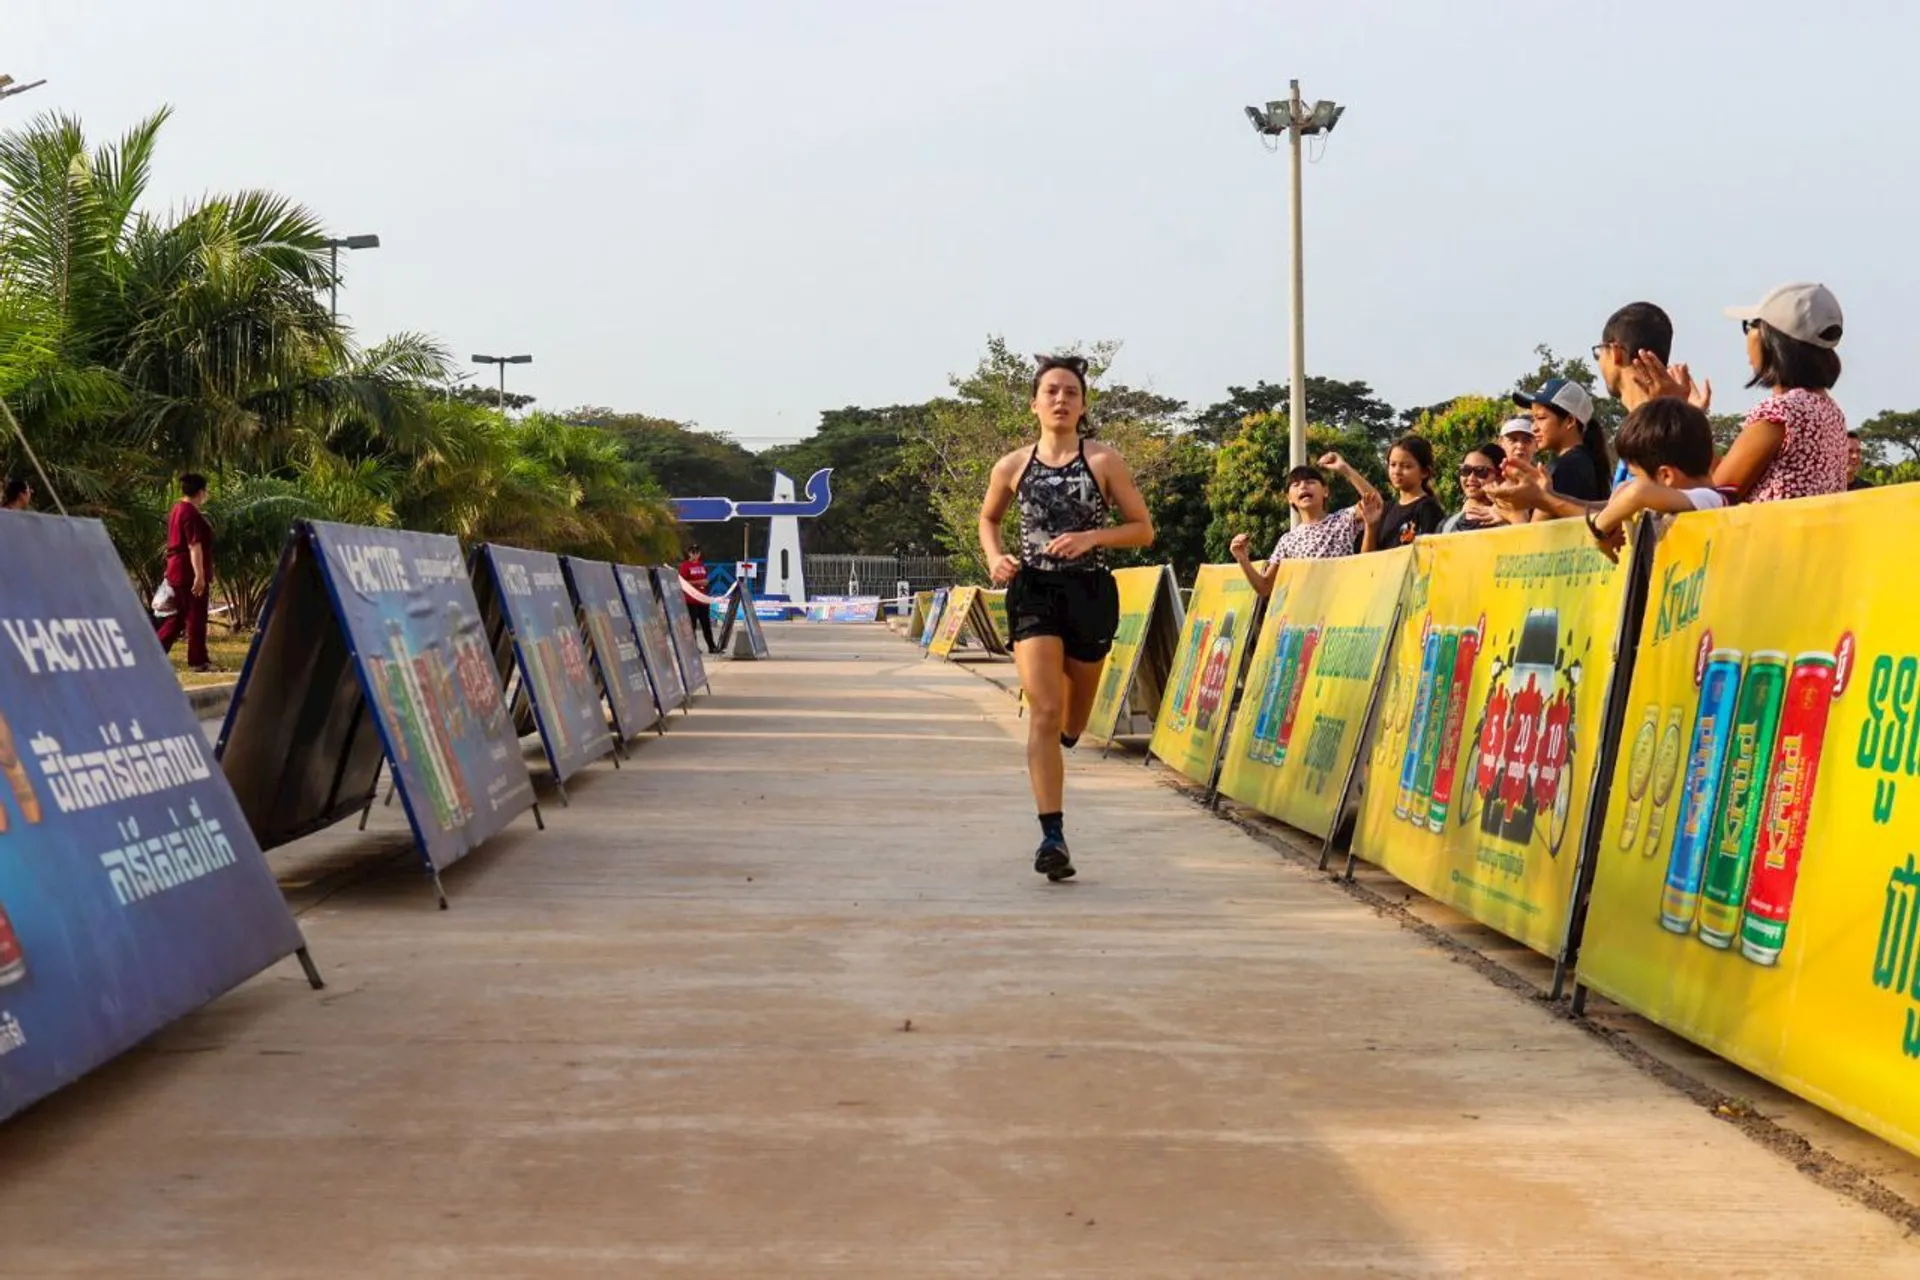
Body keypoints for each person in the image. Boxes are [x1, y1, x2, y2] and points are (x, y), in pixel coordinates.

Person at [980, 354, 1154, 883]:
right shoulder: (1012, 466)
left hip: (1090, 592)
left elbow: (1143, 529)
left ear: (1082, 406)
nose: (1061, 399)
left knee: (1074, 719)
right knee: (1044, 710)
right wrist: (995, 557)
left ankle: (1072, 734)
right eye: (1051, 391)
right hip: (1033, 591)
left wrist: (1092, 537)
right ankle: (1051, 835)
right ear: (1034, 403)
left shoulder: (1103, 461)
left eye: (1071, 393)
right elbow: (990, 518)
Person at [1713, 282, 1848, 503]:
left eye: (1751, 325)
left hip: (1769, 537)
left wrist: (1671, 416)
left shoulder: (1779, 413)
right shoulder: (1830, 411)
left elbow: (1714, 496)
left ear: (1773, 339)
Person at [1586, 398, 1736, 560]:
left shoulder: (1712, 501)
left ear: (1666, 476)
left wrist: (1599, 531)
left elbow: (1639, 493)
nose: (1633, 482)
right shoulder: (1694, 499)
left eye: (1636, 476)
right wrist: (1615, 512)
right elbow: (1628, 488)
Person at [1229, 453, 1384, 596]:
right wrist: (1243, 559)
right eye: (1296, 485)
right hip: (1306, 618)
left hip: (1341, 606)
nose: (1303, 486)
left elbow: (1375, 502)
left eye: (1310, 482)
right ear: (1289, 498)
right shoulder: (1287, 541)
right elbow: (1265, 587)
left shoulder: (1343, 519)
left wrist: (1345, 469)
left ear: (1325, 491)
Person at [1513, 378, 1610, 512]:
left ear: (1570, 421)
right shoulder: (1586, 460)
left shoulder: (1564, 468)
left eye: (1541, 418)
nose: (1534, 428)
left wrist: (1510, 513)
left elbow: (1537, 530)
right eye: (1532, 419)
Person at [155, 473, 217, 672]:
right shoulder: (190, 513)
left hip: (177, 569)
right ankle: (198, 660)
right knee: (196, 616)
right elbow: (194, 546)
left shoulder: (177, 509)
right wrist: (199, 575)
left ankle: (153, 653)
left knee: (178, 616)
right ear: (201, 492)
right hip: (187, 571)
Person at [1373, 435, 1446, 549]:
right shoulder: (1387, 509)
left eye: (1406, 466)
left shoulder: (1428, 509)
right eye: (1392, 465)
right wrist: (1370, 526)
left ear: (1424, 472)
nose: (1397, 471)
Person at [1441, 443, 1508, 533]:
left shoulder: (1509, 521)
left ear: (1500, 476)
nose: (1471, 478)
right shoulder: (1447, 525)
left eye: (1481, 471)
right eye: (1466, 470)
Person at [677, 544, 722, 654]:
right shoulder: (685, 566)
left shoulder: (702, 565)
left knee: (706, 624)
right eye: (692, 552)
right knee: (692, 625)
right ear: (689, 553)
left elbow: (705, 579)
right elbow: (682, 582)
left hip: (702, 599)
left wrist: (706, 584)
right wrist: (698, 582)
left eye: (696, 552)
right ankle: (693, 647)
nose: (695, 554)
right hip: (691, 599)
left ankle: (712, 646)